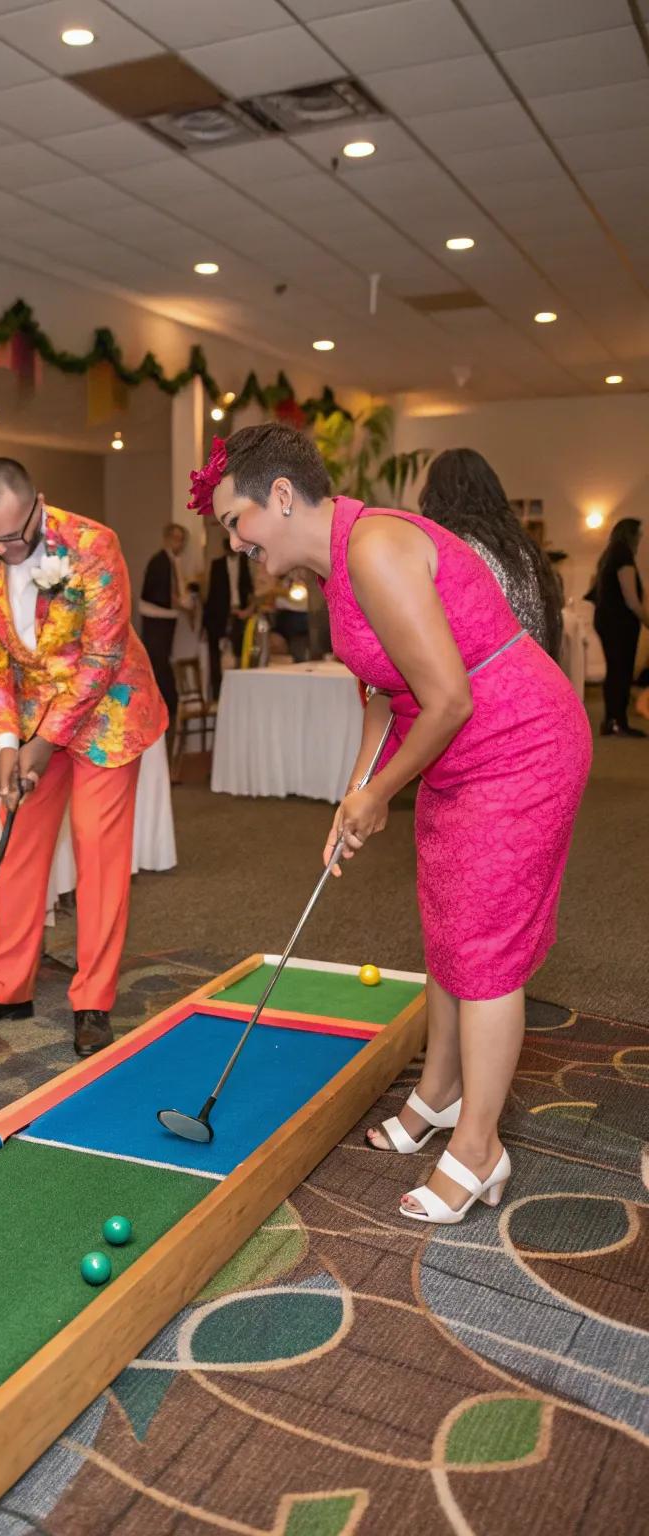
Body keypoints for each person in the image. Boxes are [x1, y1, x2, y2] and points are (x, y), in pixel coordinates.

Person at [189, 425, 591, 1225]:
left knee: (486, 948)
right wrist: (356, 787)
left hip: (519, 745)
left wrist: (379, 798)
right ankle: (440, 1093)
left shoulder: (374, 546)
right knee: (448, 924)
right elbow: (382, 689)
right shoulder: (339, 563)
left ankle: (480, 1147)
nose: (232, 540)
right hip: (458, 754)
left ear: (278, 497)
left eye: (235, 521)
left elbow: (447, 697)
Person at [0, 458, 167, 1057]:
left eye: (15, 537)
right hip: (35, 714)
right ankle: (9, 987)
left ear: (38, 502)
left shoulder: (92, 545)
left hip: (108, 711)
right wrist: (9, 744)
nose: (5, 552)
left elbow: (102, 657)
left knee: (97, 850)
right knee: (18, 840)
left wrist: (43, 742)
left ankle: (93, 999)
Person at [418, 448, 563, 659]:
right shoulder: (522, 546)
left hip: (486, 681)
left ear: (434, 495)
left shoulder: (455, 547)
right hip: (533, 676)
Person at [587, 518, 648, 737]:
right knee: (621, 672)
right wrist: (647, 620)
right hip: (619, 625)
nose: (640, 540)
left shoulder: (609, 554)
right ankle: (617, 721)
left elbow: (593, 587)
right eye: (639, 535)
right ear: (631, 535)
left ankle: (611, 720)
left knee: (615, 671)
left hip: (607, 621)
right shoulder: (623, 555)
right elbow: (631, 598)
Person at [139, 523, 193, 721]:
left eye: (181, 540)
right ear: (167, 538)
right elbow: (159, 593)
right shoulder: (160, 561)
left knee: (160, 661)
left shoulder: (169, 561)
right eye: (177, 539)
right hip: (157, 618)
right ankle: (168, 706)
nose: (179, 543)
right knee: (158, 662)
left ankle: (167, 706)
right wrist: (181, 603)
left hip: (163, 618)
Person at [203, 544, 253, 698]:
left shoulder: (245, 563)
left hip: (240, 613)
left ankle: (240, 693)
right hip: (220, 616)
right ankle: (219, 694)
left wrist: (248, 610)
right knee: (217, 657)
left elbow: (250, 590)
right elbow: (212, 594)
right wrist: (205, 624)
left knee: (240, 653)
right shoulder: (217, 565)